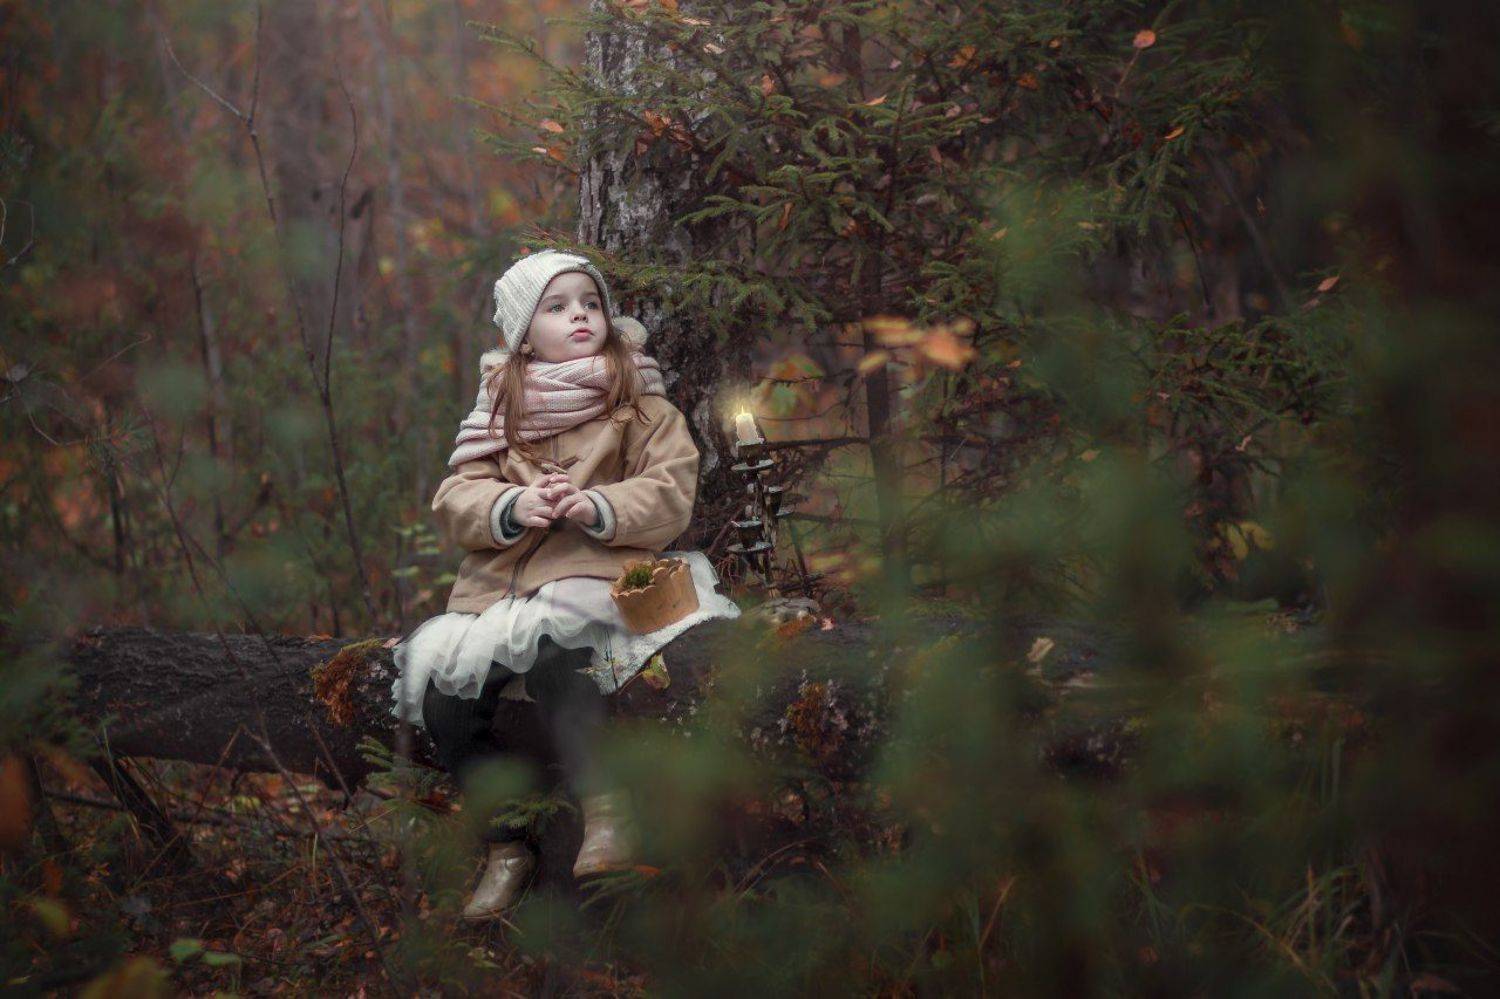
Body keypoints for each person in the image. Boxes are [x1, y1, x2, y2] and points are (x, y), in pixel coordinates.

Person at [389, 248, 741, 920]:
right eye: (557, 307)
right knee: (446, 701)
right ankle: (506, 843)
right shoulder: (500, 409)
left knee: (560, 663)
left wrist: (597, 505)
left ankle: (607, 810)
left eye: (590, 303)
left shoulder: (637, 401)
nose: (580, 315)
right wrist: (511, 504)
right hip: (503, 593)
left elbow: (671, 488)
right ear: (524, 334)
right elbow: (456, 498)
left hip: (594, 579)